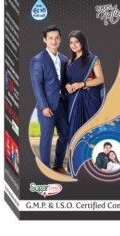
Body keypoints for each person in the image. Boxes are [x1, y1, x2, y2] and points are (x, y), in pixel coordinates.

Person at [30, 25, 70, 175]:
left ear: (60, 39)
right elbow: (37, 85)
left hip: (62, 104)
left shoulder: (64, 59)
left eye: (57, 38)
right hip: (47, 106)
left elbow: (64, 82)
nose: (54, 41)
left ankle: (58, 165)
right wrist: (44, 106)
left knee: (65, 133)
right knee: (46, 137)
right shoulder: (37, 60)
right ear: (45, 40)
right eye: (51, 38)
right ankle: (46, 168)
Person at [64, 30, 105, 145]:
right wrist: (67, 86)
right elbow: (66, 81)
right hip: (74, 100)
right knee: (74, 130)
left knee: (91, 129)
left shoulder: (92, 59)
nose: (73, 45)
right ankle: (75, 155)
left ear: (82, 42)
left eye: (76, 41)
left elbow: (100, 79)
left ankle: (92, 155)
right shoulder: (69, 62)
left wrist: (82, 84)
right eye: (71, 42)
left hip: (90, 100)